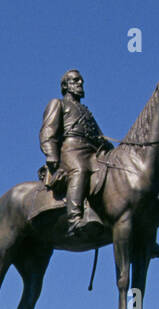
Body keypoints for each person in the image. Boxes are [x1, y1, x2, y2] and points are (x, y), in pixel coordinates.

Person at [39, 70, 114, 235]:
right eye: (75, 80)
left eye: (81, 81)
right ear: (65, 85)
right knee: (80, 170)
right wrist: (52, 156)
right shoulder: (58, 104)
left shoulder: (86, 111)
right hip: (71, 149)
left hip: (92, 152)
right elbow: (47, 132)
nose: (80, 83)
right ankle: (74, 219)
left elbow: (99, 137)